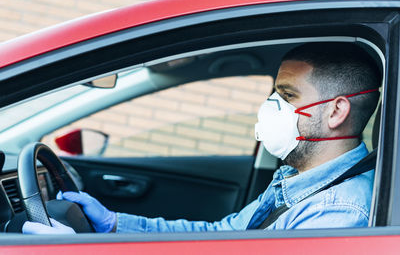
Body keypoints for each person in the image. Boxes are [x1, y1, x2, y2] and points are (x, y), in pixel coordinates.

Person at [23, 42, 381, 234]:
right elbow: (223, 234)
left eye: (286, 96)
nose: (270, 107)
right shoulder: (298, 180)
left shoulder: (338, 211)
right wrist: (115, 224)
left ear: (336, 112)